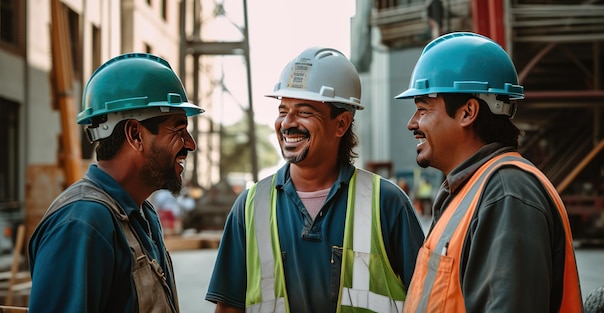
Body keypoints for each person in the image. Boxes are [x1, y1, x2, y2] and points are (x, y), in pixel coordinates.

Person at [206, 47, 425, 312]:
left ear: (342, 124)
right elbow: (229, 308)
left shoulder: (386, 203)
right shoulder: (250, 207)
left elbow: (426, 300)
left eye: (304, 112)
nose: (287, 123)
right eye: (282, 109)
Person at [395, 32, 583, 312]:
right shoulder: (470, 191)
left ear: (468, 112)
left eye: (423, 109)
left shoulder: (507, 194)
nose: (412, 123)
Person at [28, 53, 204, 313]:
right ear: (135, 134)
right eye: (178, 130)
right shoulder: (82, 223)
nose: (191, 144)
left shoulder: (142, 215)